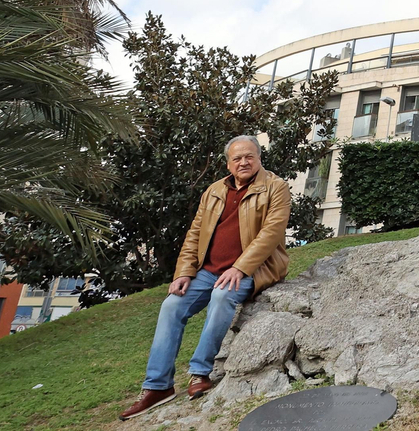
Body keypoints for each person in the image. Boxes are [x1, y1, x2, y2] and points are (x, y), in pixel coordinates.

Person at [118, 135, 293, 419]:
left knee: (222, 297)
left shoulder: (276, 187)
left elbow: (271, 233)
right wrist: (185, 272)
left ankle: (200, 371)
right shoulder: (213, 191)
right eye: (237, 158)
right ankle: (158, 386)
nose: (243, 162)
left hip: (253, 269)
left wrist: (240, 268)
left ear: (259, 158)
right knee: (171, 305)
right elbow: (195, 234)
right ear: (229, 163)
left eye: (249, 156)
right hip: (207, 270)